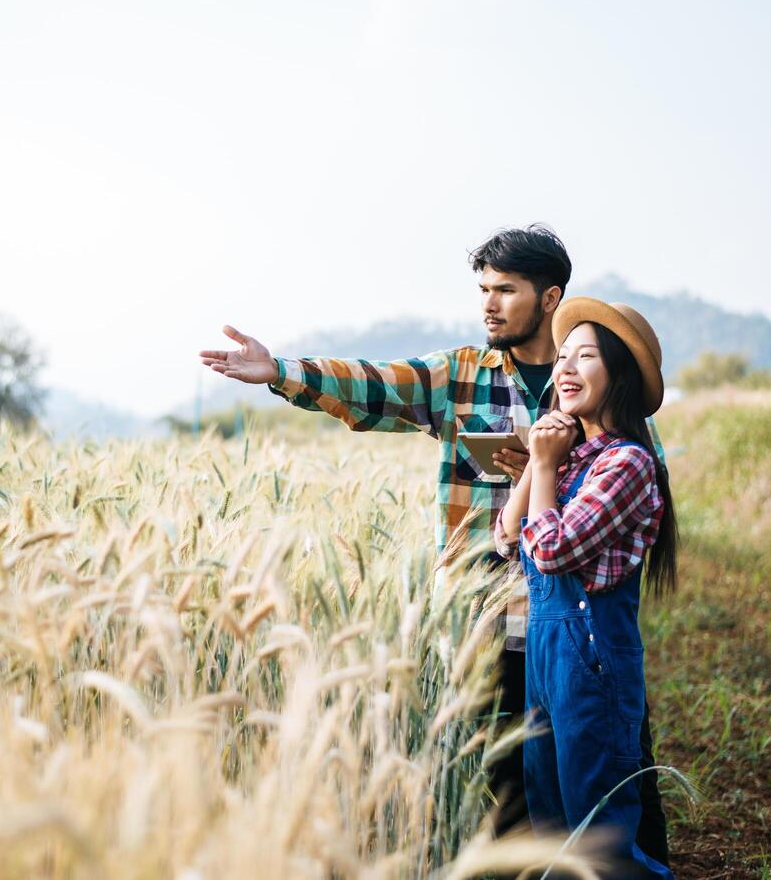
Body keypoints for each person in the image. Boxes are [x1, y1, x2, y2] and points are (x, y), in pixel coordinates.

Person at [198, 225, 668, 859]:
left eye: (506, 289)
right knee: (514, 779)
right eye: (484, 290)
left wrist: (547, 466)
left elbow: (641, 495)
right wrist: (280, 372)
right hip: (484, 612)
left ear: (550, 298)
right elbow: (371, 385)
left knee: (614, 778)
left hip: (578, 624)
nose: (489, 304)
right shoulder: (462, 375)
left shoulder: (601, 396)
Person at [497, 298, 677, 879]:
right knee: (552, 826)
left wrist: (545, 467)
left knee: (598, 834)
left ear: (618, 373)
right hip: (547, 660)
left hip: (593, 663)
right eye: (563, 357)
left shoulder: (626, 464)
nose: (565, 369)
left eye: (586, 356)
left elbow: (548, 551)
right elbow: (506, 535)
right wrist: (538, 459)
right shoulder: (572, 458)